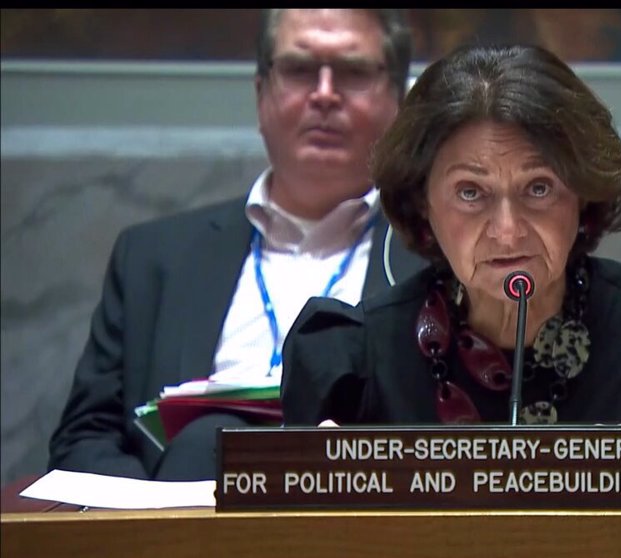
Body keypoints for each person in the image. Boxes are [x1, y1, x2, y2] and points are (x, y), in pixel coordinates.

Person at [280, 44, 621, 469]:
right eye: (471, 193)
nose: (508, 230)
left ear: (582, 195)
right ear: (423, 203)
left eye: (539, 188)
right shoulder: (357, 361)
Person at [48, 9, 425, 481]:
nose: (325, 94)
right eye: (299, 69)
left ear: (397, 98)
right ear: (261, 92)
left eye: (353, 72)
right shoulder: (153, 257)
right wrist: (162, 517)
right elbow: (84, 441)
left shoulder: (440, 259)